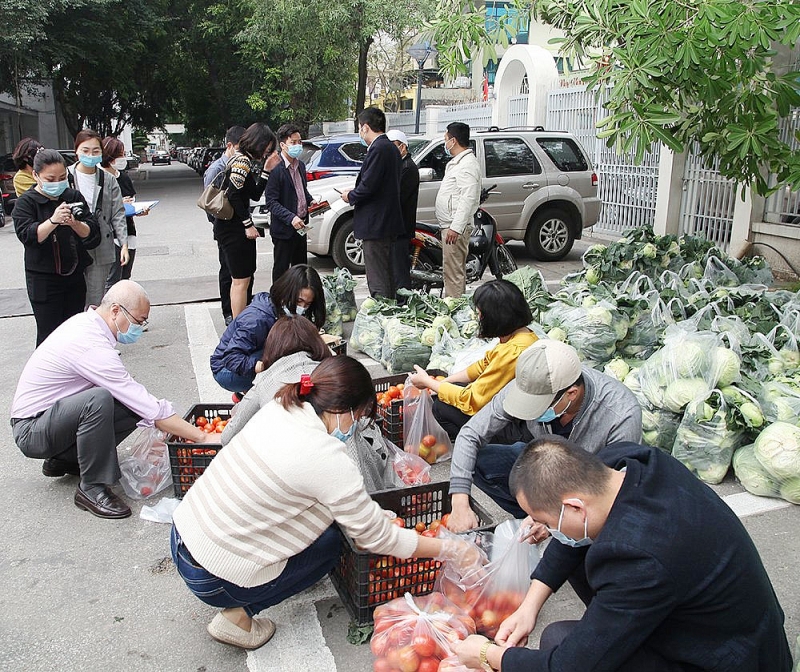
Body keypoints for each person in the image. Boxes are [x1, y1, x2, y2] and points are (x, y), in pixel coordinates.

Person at [171, 355, 484, 650]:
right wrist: (451, 549)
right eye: (359, 417)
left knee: (330, 522)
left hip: (183, 536)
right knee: (332, 546)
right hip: (211, 577)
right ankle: (238, 616)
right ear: (343, 410)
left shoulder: (282, 408)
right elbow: (379, 538)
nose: (356, 426)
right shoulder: (328, 457)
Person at [455, 437, 794, 672]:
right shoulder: (624, 463)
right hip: (726, 624)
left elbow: (570, 667)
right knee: (564, 622)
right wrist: (529, 606)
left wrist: (489, 653)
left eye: (545, 521)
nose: (544, 530)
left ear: (574, 506)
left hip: (728, 659)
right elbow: (569, 539)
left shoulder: (639, 558)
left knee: (560, 642)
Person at [10, 281, 214, 519]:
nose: (140, 328)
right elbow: (147, 406)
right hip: (32, 429)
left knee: (126, 404)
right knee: (100, 400)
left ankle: (64, 459)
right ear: (116, 311)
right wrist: (202, 436)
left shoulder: (89, 326)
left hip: (51, 419)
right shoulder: (89, 342)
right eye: (139, 321)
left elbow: (137, 401)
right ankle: (92, 487)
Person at [448, 339, 642, 531]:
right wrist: (459, 500)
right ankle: (528, 517)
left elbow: (613, 493)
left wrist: (558, 520)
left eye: (540, 406)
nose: (533, 412)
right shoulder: (532, 383)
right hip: (544, 463)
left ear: (571, 394)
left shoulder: (620, 414)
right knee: (481, 461)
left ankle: (552, 524)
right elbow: (470, 434)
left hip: (586, 485)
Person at [409, 280, 537, 440]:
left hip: (517, 430)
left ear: (495, 318)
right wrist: (445, 382)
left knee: (441, 407)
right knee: (451, 389)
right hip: (515, 414)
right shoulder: (523, 336)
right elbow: (482, 366)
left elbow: (471, 400)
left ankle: (479, 446)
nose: (478, 318)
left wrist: (428, 383)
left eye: (480, 314)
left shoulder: (513, 352)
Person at [12, 149, 102, 346]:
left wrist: (74, 224)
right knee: (49, 335)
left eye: (62, 178)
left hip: (74, 275)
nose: (57, 183)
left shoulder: (72, 196)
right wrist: (53, 221)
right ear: (36, 175)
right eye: (50, 178)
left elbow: (93, 234)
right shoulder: (26, 203)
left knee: (75, 331)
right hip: (44, 280)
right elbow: (27, 235)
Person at [210, 264, 326, 397]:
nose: (302, 308)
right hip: (226, 370)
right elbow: (231, 358)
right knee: (284, 367)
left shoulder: (283, 311)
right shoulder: (256, 320)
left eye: (307, 304)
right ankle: (249, 393)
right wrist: (264, 367)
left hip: (250, 356)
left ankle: (249, 392)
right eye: (299, 301)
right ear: (287, 292)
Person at [221, 315, 332, 445]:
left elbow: (227, 438)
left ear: (273, 347)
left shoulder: (265, 383)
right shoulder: (333, 375)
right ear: (317, 342)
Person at [214, 122, 281, 318]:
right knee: (240, 281)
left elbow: (254, 192)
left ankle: (240, 323)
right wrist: (248, 225)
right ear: (259, 142)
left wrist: (266, 170)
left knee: (243, 278)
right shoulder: (242, 161)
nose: (268, 151)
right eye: (267, 146)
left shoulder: (245, 161)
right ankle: (239, 325)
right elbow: (234, 195)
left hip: (232, 228)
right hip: (233, 229)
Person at [340, 107, 404, 299]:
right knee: (386, 272)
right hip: (385, 221)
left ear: (366, 127)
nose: (360, 132)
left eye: (360, 128)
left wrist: (350, 196)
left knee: (378, 275)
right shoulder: (390, 148)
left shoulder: (379, 148)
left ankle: (382, 311)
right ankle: (388, 308)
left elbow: (369, 186)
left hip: (377, 223)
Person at [67, 129, 128, 306]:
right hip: (71, 243)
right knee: (73, 298)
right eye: (85, 151)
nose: (90, 155)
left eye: (95, 151)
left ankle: (93, 331)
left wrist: (123, 244)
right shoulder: (65, 176)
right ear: (76, 151)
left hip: (101, 243)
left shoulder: (108, 179)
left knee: (95, 298)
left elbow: (118, 213)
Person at [203, 125, 247, 325]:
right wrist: (222, 225)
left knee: (241, 273)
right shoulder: (217, 169)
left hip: (238, 228)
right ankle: (228, 311)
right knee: (228, 272)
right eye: (240, 147)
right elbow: (209, 203)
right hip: (225, 229)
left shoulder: (241, 165)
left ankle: (242, 310)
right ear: (229, 146)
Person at [264, 123, 316, 283]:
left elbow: (301, 190)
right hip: (284, 230)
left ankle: (299, 300)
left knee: (301, 270)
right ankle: (278, 303)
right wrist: (291, 218)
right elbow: (271, 202)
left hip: (301, 227)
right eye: (293, 142)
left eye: (299, 142)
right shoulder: (276, 169)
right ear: (282, 145)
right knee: (281, 270)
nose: (298, 146)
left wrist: (311, 201)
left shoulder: (300, 165)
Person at [435, 122, 481, 298]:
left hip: (455, 228)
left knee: (453, 274)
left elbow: (467, 198)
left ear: (453, 141)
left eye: (446, 139)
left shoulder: (467, 164)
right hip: (450, 225)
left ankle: (455, 310)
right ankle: (454, 305)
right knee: (451, 271)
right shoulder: (458, 162)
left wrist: (456, 227)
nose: (445, 143)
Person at [101, 137, 146, 288]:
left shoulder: (123, 176)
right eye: (119, 154)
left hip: (128, 231)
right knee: (112, 278)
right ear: (109, 156)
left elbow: (131, 201)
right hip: (110, 235)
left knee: (125, 277)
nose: (123, 158)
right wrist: (119, 203)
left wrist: (138, 210)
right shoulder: (99, 178)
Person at [386, 130, 420, 291]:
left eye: (393, 147)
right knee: (393, 268)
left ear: (403, 147)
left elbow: (396, 197)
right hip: (395, 228)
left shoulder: (408, 168)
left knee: (400, 270)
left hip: (401, 228)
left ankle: (403, 300)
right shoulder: (399, 165)